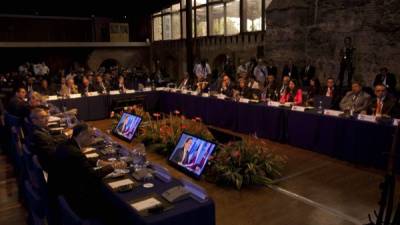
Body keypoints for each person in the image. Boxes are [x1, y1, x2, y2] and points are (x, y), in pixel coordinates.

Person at [48, 123, 126, 219]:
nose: (93, 139)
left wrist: (100, 162)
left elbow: (82, 161)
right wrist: (113, 166)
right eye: (91, 136)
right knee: (113, 203)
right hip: (74, 198)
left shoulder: (67, 143)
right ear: (81, 135)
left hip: (61, 188)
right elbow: (92, 176)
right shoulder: (74, 152)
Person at [27, 107, 66, 172]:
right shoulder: (37, 135)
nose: (47, 119)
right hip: (53, 167)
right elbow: (53, 150)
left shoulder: (40, 127)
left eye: (46, 116)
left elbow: (51, 136)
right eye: (42, 117)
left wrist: (66, 134)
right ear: (34, 120)